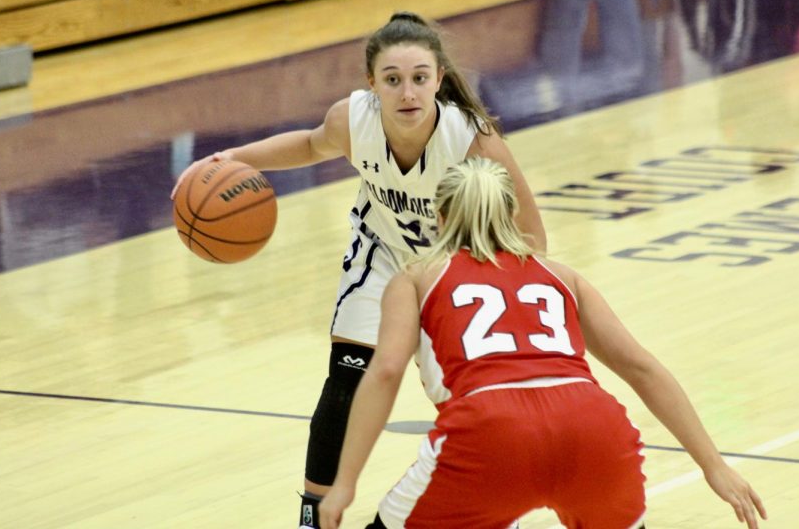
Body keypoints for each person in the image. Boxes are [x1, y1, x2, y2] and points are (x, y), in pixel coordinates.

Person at [170, 12, 547, 528]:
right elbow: (307, 144)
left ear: (439, 79)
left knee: (468, 405)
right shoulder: (354, 120)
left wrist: (509, 299)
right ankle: (313, 516)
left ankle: (495, 506)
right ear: (372, 84)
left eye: (419, 78)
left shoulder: (472, 141)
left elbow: (532, 237)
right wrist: (231, 158)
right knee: (347, 378)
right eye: (392, 79)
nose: (407, 92)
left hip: (455, 272)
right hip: (383, 255)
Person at [318, 158, 768, 528]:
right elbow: (642, 368)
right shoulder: (563, 276)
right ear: (512, 213)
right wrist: (714, 464)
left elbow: (387, 371)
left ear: (439, 216)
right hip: (594, 428)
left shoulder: (416, 277)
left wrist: (344, 483)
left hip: (489, 432)